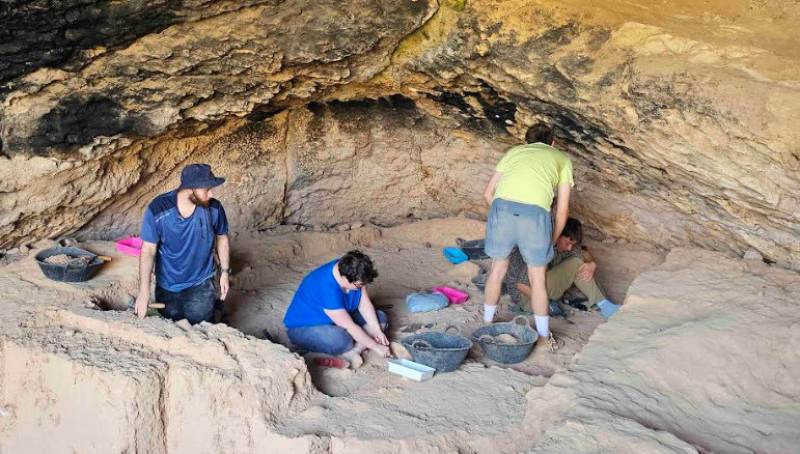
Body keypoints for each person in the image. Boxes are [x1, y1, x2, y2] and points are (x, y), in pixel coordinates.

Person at [482, 123, 573, 351]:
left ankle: (487, 324)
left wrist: (503, 214)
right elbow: (562, 210)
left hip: (502, 208)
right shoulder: (561, 158)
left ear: (526, 142)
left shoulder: (514, 152)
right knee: (537, 280)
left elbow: (487, 193)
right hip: (535, 215)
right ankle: (543, 338)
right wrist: (551, 238)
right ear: (552, 143)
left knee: (497, 271)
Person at [134, 163, 231, 324]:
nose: (211, 193)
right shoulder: (158, 209)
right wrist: (143, 292)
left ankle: (217, 311)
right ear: (190, 189)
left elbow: (222, 238)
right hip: (167, 284)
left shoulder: (214, 209)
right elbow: (148, 250)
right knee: (171, 322)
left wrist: (225, 272)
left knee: (200, 324)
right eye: (207, 189)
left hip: (201, 282)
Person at [283, 250, 390, 368]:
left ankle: (354, 352)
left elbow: (364, 304)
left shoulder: (350, 268)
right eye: (359, 285)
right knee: (342, 341)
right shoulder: (326, 288)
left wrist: (377, 331)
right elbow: (350, 327)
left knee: (380, 318)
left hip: (338, 316)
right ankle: (351, 347)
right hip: (304, 327)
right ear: (344, 279)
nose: (362, 287)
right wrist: (375, 346)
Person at [505, 218, 620, 319]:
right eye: (567, 243)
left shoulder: (563, 246)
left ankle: (603, 304)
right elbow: (521, 285)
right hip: (525, 299)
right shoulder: (541, 246)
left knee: (580, 263)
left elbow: (583, 252)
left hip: (537, 292)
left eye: (572, 244)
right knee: (576, 264)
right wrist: (546, 304)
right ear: (558, 235)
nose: (569, 248)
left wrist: (592, 265)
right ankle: (604, 305)